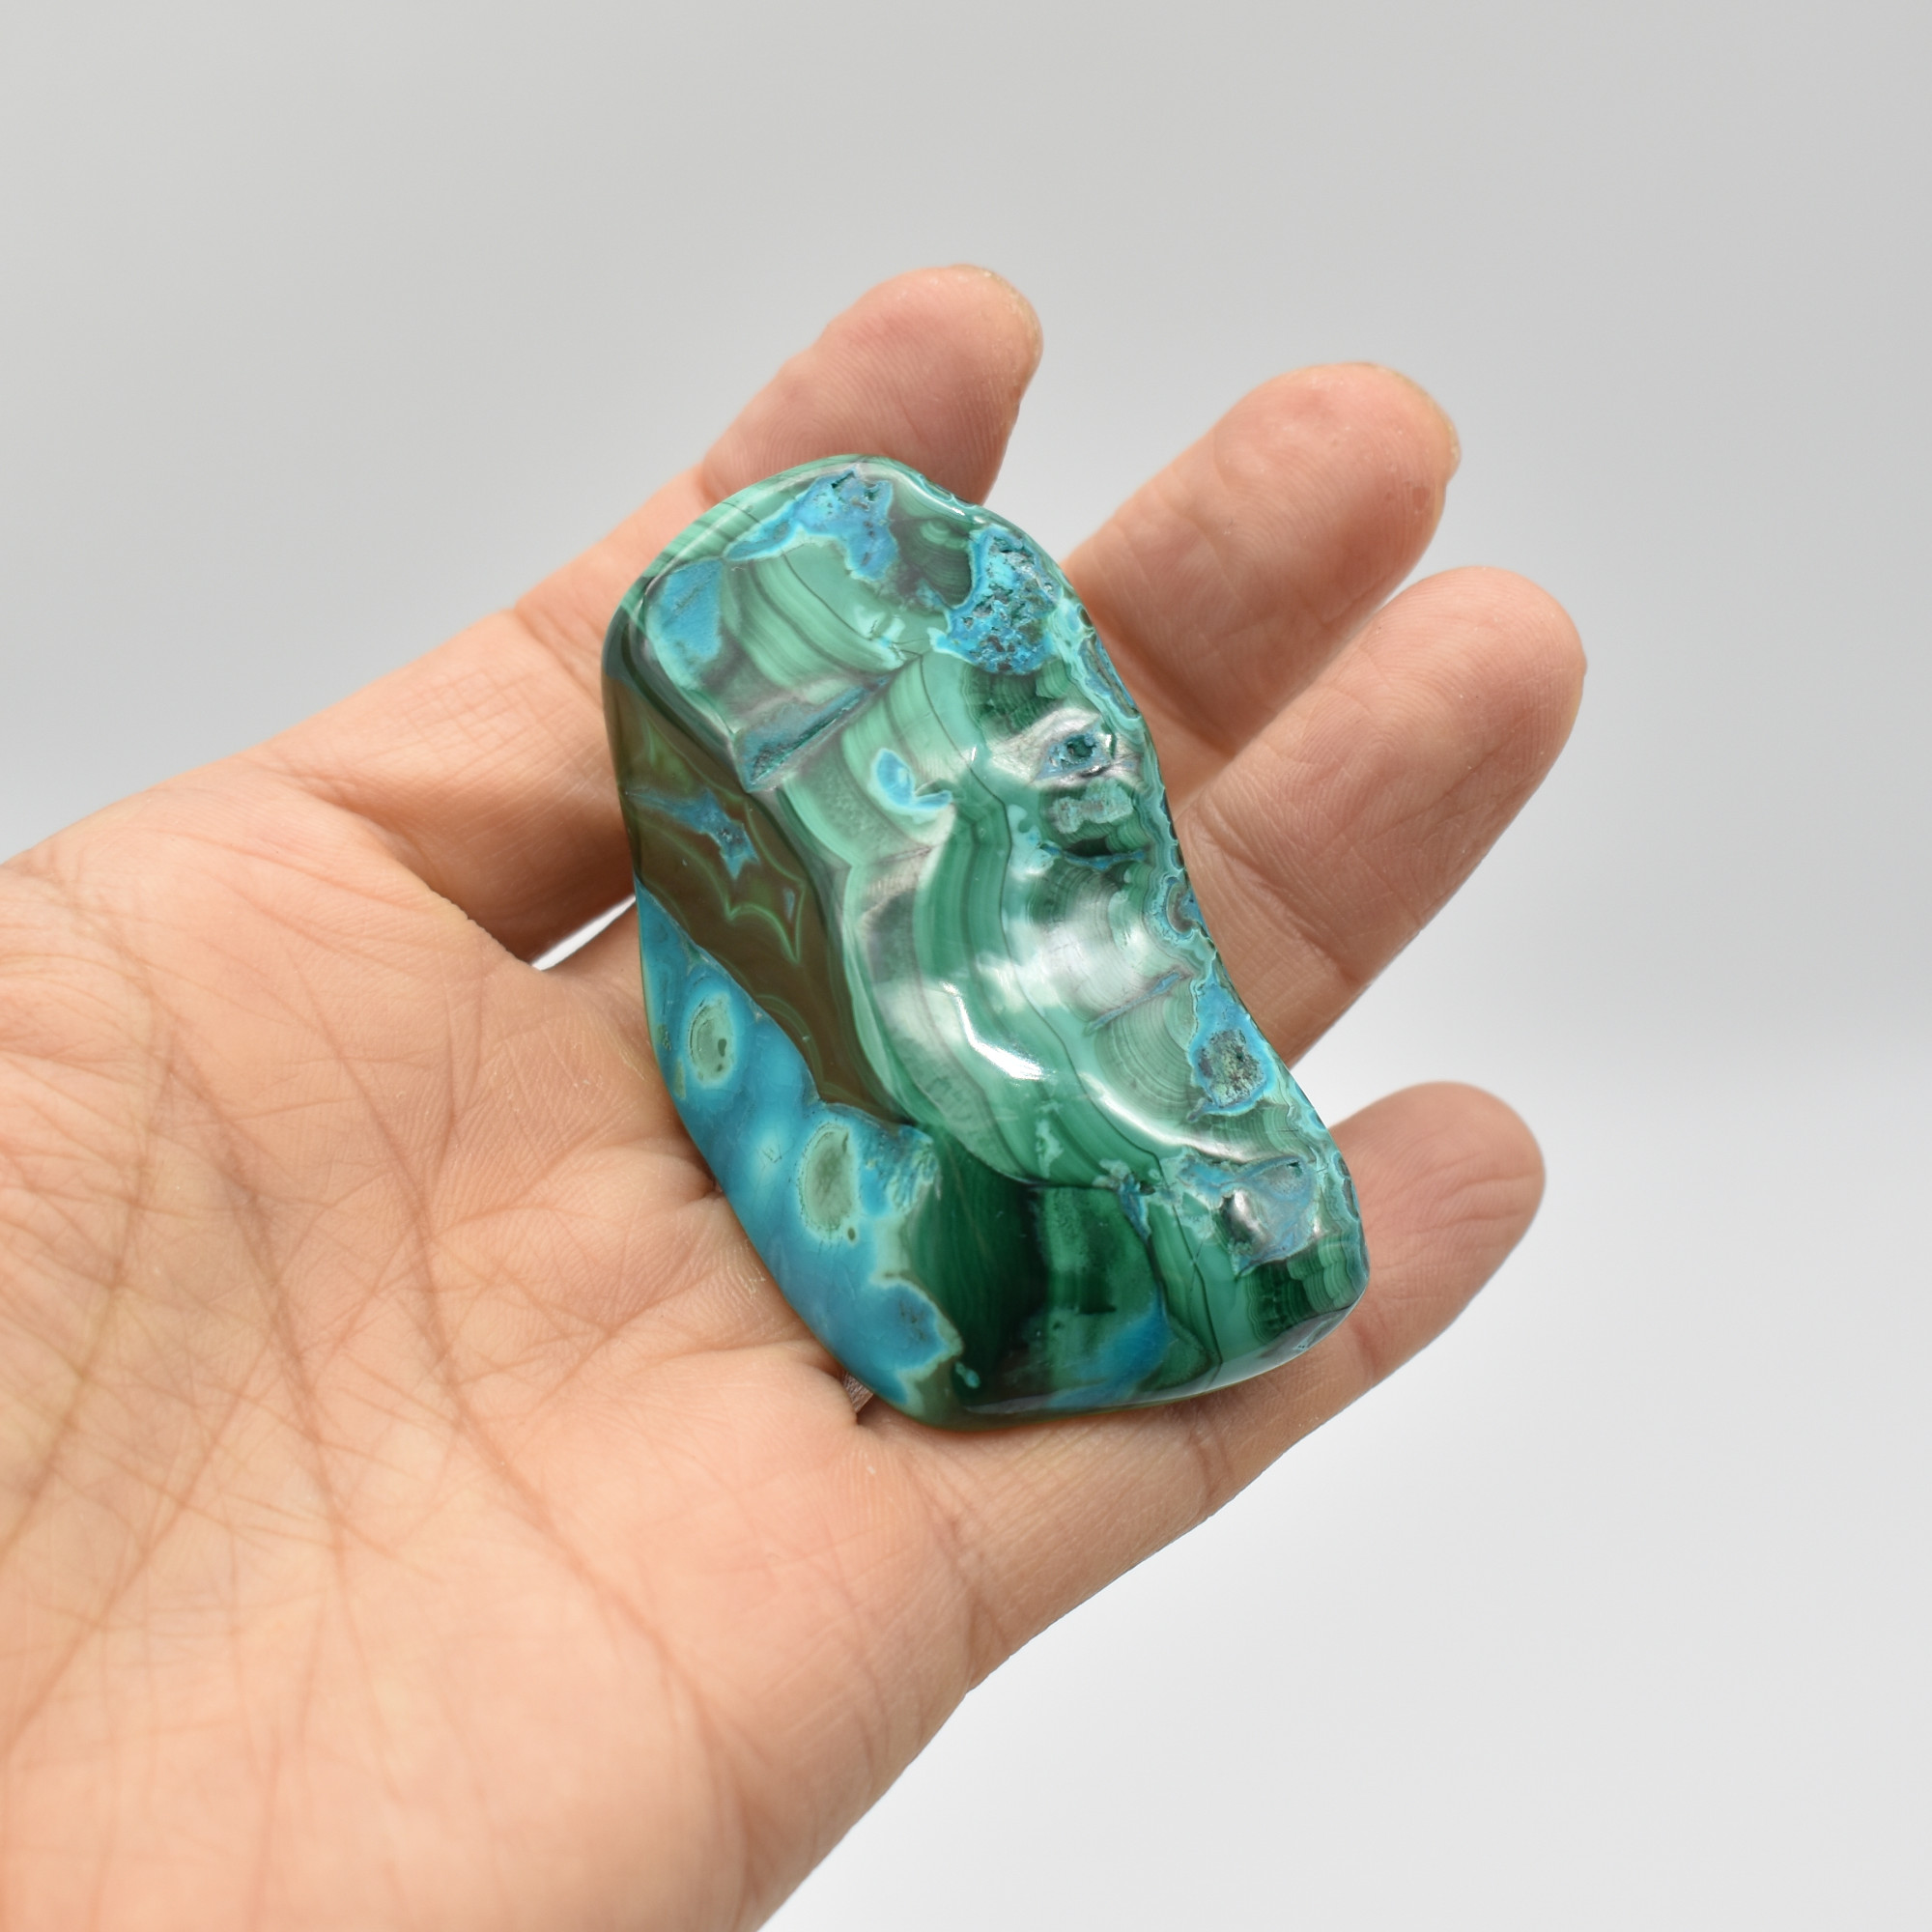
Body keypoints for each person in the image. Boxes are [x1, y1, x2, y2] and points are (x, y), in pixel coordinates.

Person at [0, 266, 1582, 1927]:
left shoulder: (1150, 1120)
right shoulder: (875, 964)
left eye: (1047, 715)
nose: (1085, 754)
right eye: (960, 735)